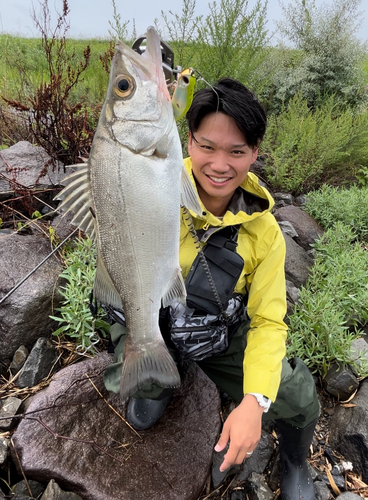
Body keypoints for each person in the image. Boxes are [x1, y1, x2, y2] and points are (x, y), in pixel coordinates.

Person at [103, 78, 320, 500]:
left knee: (295, 395)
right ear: (186, 141)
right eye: (207, 146)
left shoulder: (266, 234)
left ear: (254, 153)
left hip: (217, 328)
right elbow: (117, 157)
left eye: (237, 152)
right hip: (151, 312)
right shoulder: (150, 178)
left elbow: (269, 321)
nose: (220, 164)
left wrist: (255, 403)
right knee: (141, 368)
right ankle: (159, 382)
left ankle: (296, 460)